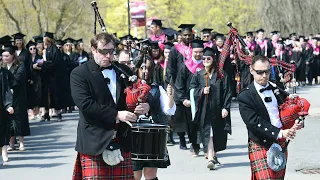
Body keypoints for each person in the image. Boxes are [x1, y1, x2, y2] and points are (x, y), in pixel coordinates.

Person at [71, 32, 150, 179]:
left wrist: (144, 106)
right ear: (94, 50)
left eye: (111, 51)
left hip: (122, 138)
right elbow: (86, 104)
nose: (108, 56)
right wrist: (116, 114)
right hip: (94, 140)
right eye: (103, 52)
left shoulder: (123, 71)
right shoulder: (79, 74)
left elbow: (136, 96)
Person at [238, 55, 304, 179]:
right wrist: (280, 133)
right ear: (251, 70)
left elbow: (286, 110)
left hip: (281, 142)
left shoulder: (276, 87)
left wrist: (297, 121)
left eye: (267, 71)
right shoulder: (245, 96)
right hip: (260, 142)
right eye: (260, 72)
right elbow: (253, 122)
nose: (264, 75)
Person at [132, 55, 175, 180]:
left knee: (150, 174)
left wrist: (171, 95)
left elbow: (168, 109)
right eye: (142, 68)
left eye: (149, 68)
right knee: (135, 174)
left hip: (152, 135)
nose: (145, 71)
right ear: (137, 69)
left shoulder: (157, 88)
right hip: (133, 135)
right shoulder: (128, 87)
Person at [189, 47, 232, 170]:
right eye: (204, 58)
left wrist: (226, 108)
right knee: (209, 133)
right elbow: (192, 90)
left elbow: (228, 92)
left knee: (217, 133)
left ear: (214, 59)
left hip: (218, 110)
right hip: (204, 110)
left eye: (209, 58)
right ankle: (210, 158)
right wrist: (202, 91)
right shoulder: (198, 74)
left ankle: (213, 154)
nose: (206, 60)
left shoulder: (222, 75)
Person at [174, 39, 204, 155]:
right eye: (196, 51)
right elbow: (179, 84)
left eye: (200, 52)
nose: (198, 54)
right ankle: (194, 145)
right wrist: (183, 99)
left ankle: (207, 146)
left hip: (203, 99)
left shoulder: (206, 64)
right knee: (192, 124)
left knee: (204, 124)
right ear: (192, 51)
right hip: (189, 100)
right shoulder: (185, 66)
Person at [1, 43, 30, 152]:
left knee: (19, 119)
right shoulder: (3, 67)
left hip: (18, 96)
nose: (5, 58)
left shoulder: (20, 66)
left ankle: (21, 142)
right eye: (3, 56)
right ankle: (11, 143)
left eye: (7, 56)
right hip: (7, 97)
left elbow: (17, 79)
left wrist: (7, 84)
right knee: (9, 120)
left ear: (13, 55)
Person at [37, 32, 69, 122]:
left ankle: (58, 113)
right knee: (46, 96)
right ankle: (46, 113)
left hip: (54, 77)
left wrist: (44, 63)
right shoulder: (46, 50)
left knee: (55, 95)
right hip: (47, 76)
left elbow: (54, 63)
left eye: (44, 39)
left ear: (48, 40)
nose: (43, 41)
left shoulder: (54, 49)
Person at [0, 58, 14, 165]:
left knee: (2, 130)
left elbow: (6, 90)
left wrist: (8, 105)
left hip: (1, 107)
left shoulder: (2, 73)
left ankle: (4, 150)